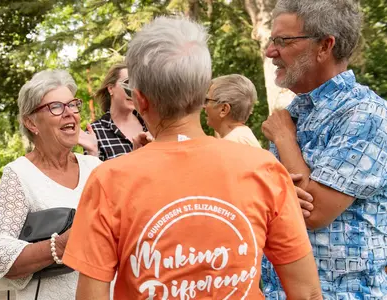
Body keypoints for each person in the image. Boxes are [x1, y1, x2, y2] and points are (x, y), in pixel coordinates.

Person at [63, 16, 322, 300]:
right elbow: (307, 292)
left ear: (140, 99)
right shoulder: (265, 170)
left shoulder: (108, 181)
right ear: (202, 95)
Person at [260, 0, 387, 298]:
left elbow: (313, 212)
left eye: (283, 41)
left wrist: (284, 139)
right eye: (271, 40)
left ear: (324, 46)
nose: (270, 51)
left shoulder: (366, 114)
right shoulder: (298, 111)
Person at [0, 70, 102, 300]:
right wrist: (59, 246)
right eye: (57, 107)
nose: (70, 113)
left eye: (72, 105)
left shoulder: (95, 167)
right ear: (31, 122)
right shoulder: (19, 174)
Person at [81, 63, 148, 161]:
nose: (133, 91)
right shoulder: (95, 132)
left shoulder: (151, 124)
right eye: (127, 83)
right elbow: (94, 173)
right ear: (110, 89)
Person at [205, 74, 262, 148]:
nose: (204, 106)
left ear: (224, 109)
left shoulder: (230, 146)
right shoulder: (242, 138)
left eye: (207, 100)